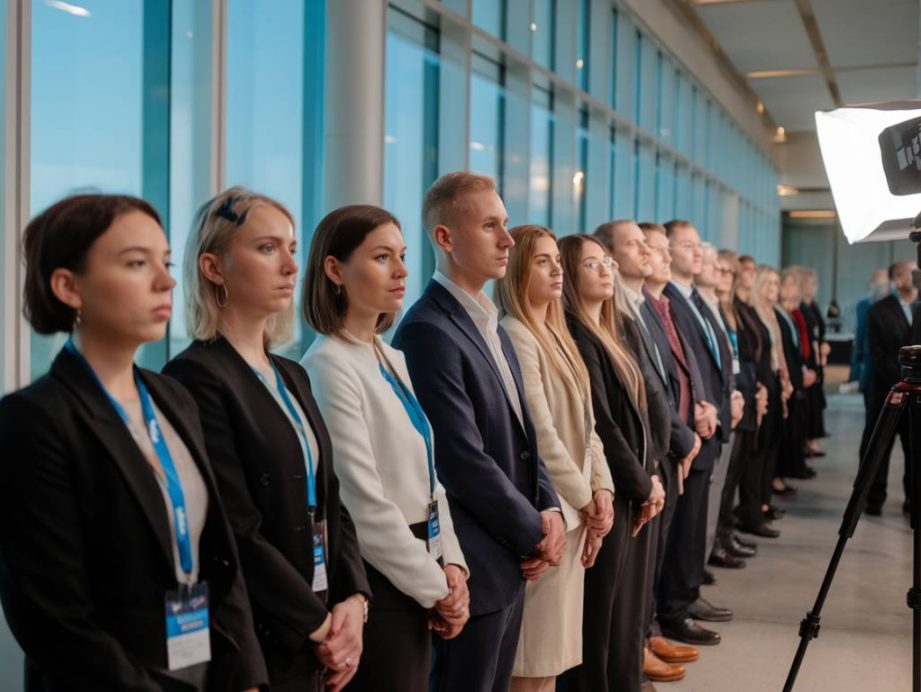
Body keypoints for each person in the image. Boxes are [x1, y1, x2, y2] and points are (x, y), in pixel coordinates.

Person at [0, 194, 266, 690]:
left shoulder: (172, 396)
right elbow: (53, 622)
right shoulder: (33, 420)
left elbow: (219, 560)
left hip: (211, 672)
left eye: (164, 262)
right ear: (68, 286)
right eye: (136, 263)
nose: (165, 280)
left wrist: (247, 679)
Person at [163, 188, 369, 691]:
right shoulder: (194, 378)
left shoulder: (292, 374)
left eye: (293, 248)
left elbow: (332, 498)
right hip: (260, 638)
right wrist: (318, 625)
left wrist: (354, 602)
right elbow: (233, 528)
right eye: (267, 248)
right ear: (213, 267)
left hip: (322, 622)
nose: (291, 266)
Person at [392, 171, 564, 692]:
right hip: (474, 562)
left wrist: (550, 506)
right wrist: (536, 531)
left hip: (508, 555)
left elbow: (525, 434)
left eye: (505, 224)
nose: (507, 239)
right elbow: (460, 459)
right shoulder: (428, 330)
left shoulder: (489, 320)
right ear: (445, 238)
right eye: (490, 225)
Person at [301, 204, 470, 692]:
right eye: (381, 257)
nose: (401, 270)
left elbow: (430, 477)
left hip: (421, 565)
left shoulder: (387, 355)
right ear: (334, 269)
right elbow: (361, 502)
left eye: (401, 255)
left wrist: (453, 564)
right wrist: (437, 588)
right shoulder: (328, 365)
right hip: (380, 580)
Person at [559, 232, 685, 690]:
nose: (605, 270)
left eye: (606, 263)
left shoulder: (617, 328)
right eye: (591, 264)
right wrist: (640, 482)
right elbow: (604, 426)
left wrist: (652, 474)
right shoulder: (576, 333)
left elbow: (646, 407)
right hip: (613, 490)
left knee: (629, 609)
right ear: (570, 275)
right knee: (604, 616)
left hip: (637, 486)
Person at [496, 226, 615, 691]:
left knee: (551, 663)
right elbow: (542, 435)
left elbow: (588, 428)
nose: (556, 269)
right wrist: (587, 499)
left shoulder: (556, 334)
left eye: (557, 260)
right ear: (518, 269)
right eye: (542, 261)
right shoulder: (517, 333)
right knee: (531, 664)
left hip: (577, 512)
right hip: (555, 517)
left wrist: (602, 490)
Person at [656, 219, 732, 645]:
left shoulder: (693, 301)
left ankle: (685, 595)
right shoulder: (668, 299)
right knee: (682, 529)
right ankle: (674, 608)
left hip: (706, 422)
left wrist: (717, 402)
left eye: (697, 245)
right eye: (687, 245)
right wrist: (701, 408)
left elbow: (709, 360)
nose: (697, 253)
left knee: (693, 525)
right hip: (685, 429)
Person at [712, 250, 765, 566]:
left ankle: (725, 532)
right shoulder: (715, 308)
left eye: (731, 272)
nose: (727, 277)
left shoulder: (733, 310)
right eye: (723, 270)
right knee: (722, 478)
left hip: (743, 395)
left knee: (731, 477)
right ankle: (718, 537)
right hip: (729, 399)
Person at [695, 245, 745, 572]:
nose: (718, 271)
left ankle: (701, 562)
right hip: (706, 414)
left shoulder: (714, 305)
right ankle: (692, 574)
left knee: (716, 495)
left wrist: (735, 394)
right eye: (715, 265)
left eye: (724, 268)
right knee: (704, 502)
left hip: (725, 406)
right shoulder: (694, 304)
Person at [861, 260, 918, 516]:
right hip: (888, 390)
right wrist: (905, 380)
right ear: (897, 277)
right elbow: (878, 354)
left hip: (918, 397)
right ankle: (873, 498)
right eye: (912, 272)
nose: (917, 276)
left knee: (915, 449)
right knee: (878, 447)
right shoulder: (879, 311)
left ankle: (914, 498)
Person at [797, 267, 828, 457]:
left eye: (814, 283)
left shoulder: (814, 306)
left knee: (816, 401)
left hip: (817, 357)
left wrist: (823, 344)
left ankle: (812, 439)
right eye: (809, 283)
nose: (812, 287)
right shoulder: (800, 307)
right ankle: (806, 442)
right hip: (808, 358)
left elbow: (819, 331)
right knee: (808, 402)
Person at [850, 268, 890, 397]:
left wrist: (858, 354)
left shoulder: (864, 304)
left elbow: (860, 331)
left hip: (870, 355)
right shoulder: (894, 303)